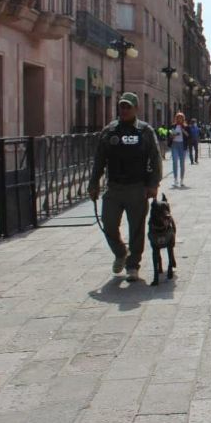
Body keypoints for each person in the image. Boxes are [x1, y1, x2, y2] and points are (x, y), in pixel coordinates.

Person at [87, 92, 163, 282]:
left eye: (128, 106)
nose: (124, 110)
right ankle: (121, 252)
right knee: (109, 223)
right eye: (122, 106)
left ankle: (133, 265)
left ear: (136, 108)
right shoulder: (109, 131)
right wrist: (93, 183)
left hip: (137, 188)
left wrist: (153, 184)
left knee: (136, 229)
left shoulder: (145, 131)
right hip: (114, 187)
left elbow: (155, 158)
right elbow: (99, 160)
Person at [169, 112, 189, 188]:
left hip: (182, 145)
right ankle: (175, 179)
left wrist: (182, 130)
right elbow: (170, 136)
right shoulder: (173, 126)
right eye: (178, 118)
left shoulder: (185, 126)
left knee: (182, 163)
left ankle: (182, 180)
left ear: (183, 119)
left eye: (181, 118)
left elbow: (188, 135)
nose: (179, 119)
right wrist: (173, 135)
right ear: (176, 119)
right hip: (174, 145)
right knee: (174, 161)